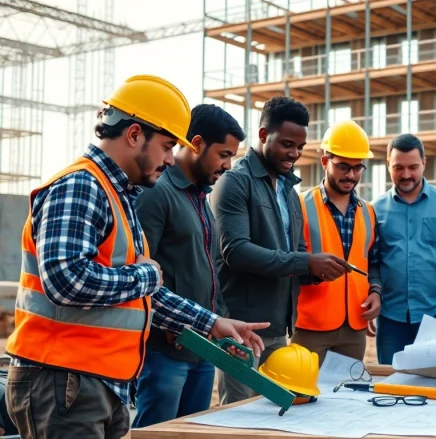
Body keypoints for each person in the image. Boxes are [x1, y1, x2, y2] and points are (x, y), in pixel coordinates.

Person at [3, 74, 268, 439]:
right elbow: (67, 280)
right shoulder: (81, 185)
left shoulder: (119, 195)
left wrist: (210, 323)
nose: (171, 159)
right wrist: (146, 275)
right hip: (62, 379)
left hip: (97, 381)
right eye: (166, 146)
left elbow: (138, 293)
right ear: (133, 135)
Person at [210, 96, 348, 405]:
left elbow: (295, 253)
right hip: (241, 327)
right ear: (262, 136)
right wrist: (305, 261)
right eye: (287, 144)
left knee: (272, 413)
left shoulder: (288, 191)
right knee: (238, 414)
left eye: (300, 147)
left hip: (279, 325)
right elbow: (236, 250)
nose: (295, 154)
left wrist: (316, 272)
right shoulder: (234, 183)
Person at [131, 104, 245, 428]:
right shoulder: (156, 193)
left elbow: (211, 270)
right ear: (196, 143)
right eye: (224, 154)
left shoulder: (201, 198)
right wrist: (169, 327)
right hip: (164, 353)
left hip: (203, 349)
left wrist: (218, 323)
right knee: (156, 434)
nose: (228, 164)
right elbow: (141, 272)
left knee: (192, 433)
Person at [372, 133, 436, 365]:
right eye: (398, 167)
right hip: (390, 319)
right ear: (387, 165)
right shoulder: (375, 210)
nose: (406, 175)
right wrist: (371, 298)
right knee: (392, 385)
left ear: (424, 163)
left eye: (413, 167)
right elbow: (371, 262)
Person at [292, 120, 382, 365]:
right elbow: (289, 262)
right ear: (325, 162)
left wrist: (375, 291)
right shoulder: (300, 205)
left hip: (354, 328)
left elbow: (372, 263)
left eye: (357, 168)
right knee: (302, 398)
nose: (351, 175)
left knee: (345, 399)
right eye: (343, 166)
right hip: (310, 325)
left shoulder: (369, 212)